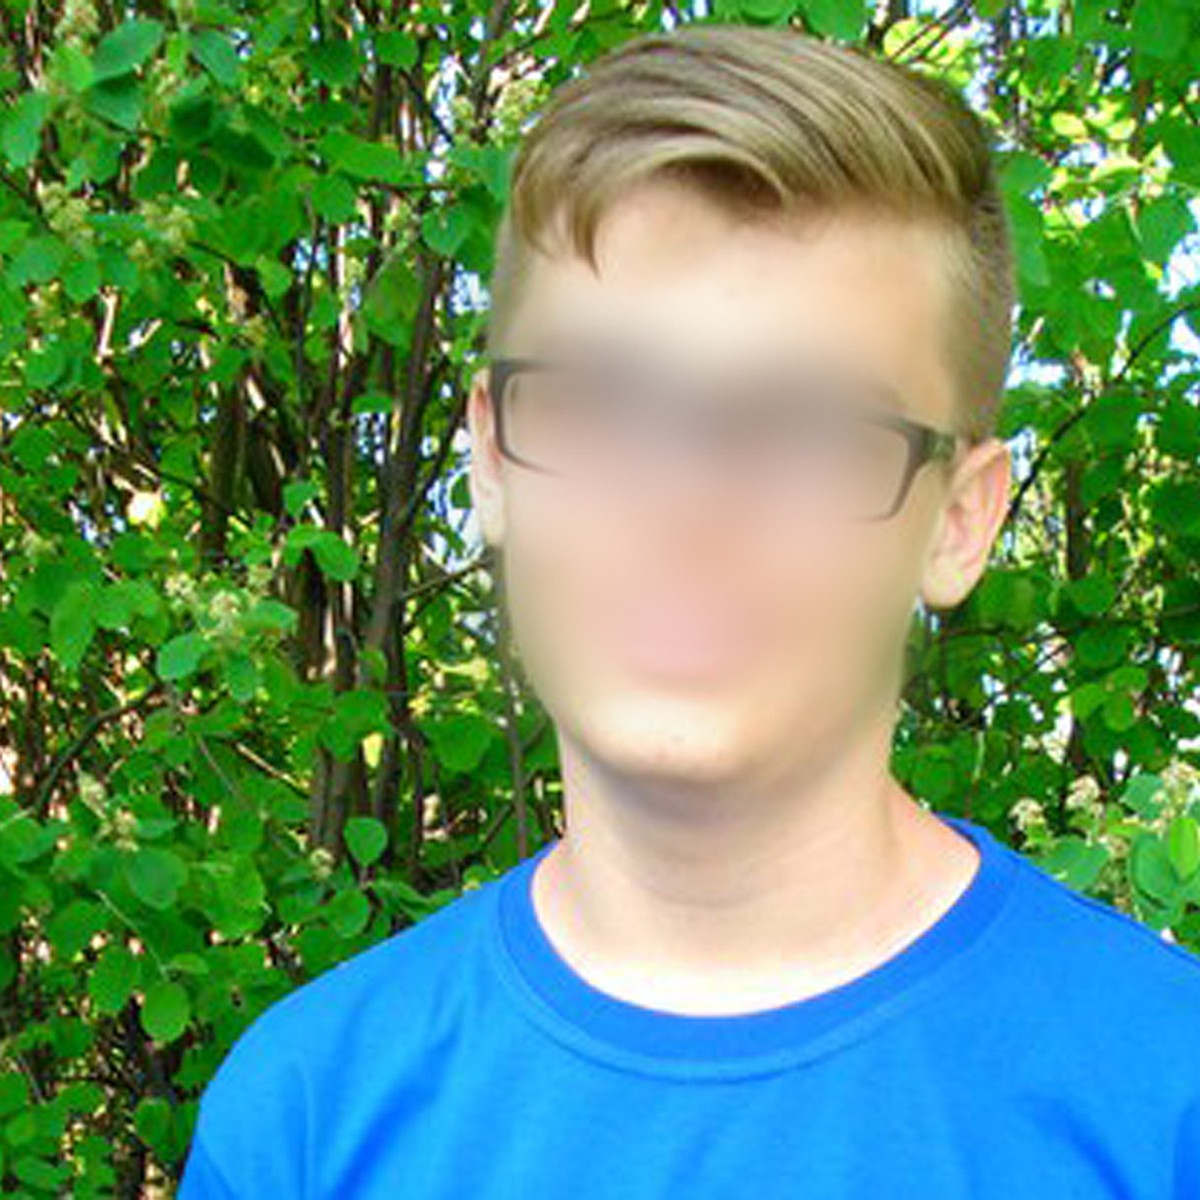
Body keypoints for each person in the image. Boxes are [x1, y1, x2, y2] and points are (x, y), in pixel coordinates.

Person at [177, 22, 1200, 1199]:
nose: (687, 502)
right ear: (492, 460)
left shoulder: (1163, 1102)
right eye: (600, 400)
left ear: (959, 520)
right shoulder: (308, 1119)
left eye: (811, 424)